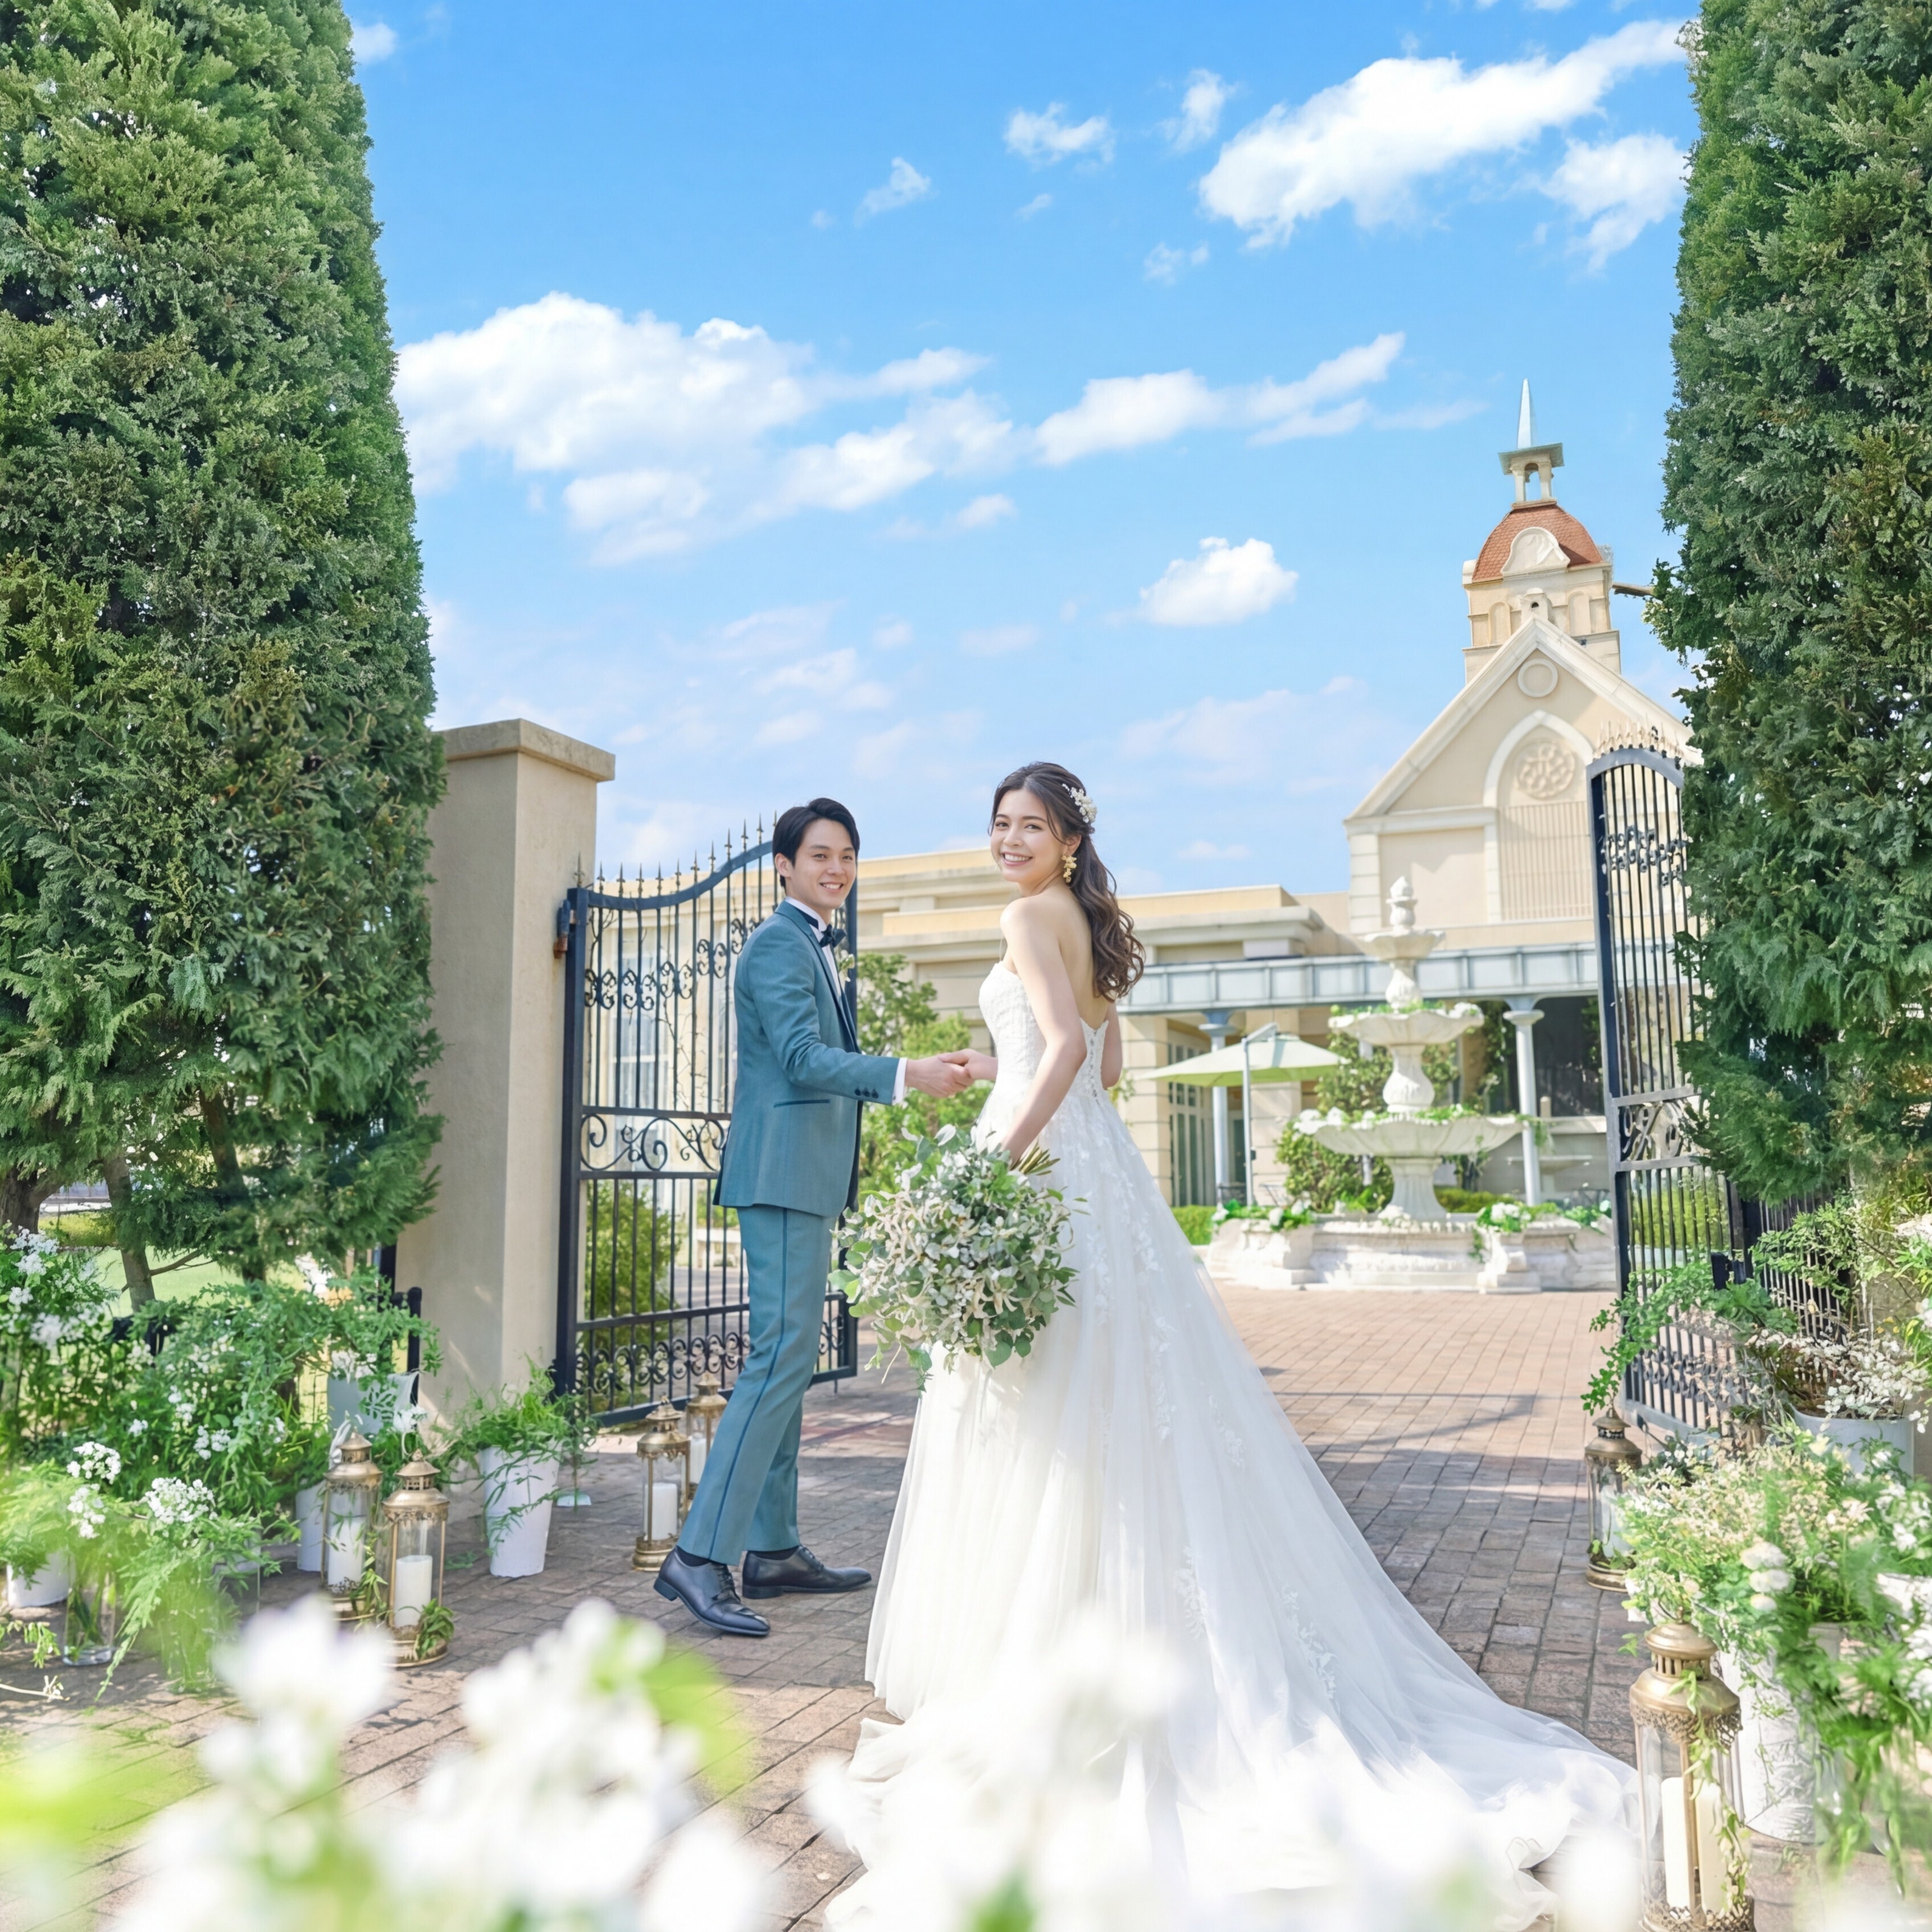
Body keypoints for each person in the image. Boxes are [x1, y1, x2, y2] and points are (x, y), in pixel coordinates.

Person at [831, 761, 1635, 1925]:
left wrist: (996, 1160)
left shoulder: (1025, 919)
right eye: (999, 824)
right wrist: (1021, 1088)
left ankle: (1049, 1664)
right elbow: (1105, 1060)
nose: (1009, 841)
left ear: (1068, 840)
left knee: (1051, 1419)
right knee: (1105, 1412)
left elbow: (1066, 1054)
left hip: (1041, 1169)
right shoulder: (1087, 923)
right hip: (1100, 1183)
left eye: (1030, 826)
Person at [656, 798, 973, 1639]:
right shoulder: (776, 944)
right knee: (780, 1356)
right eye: (821, 855)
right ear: (784, 865)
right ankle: (699, 1555)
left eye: (848, 857)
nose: (837, 869)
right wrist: (905, 1073)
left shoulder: (810, 943)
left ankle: (773, 1549)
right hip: (782, 1175)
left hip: (805, 1177)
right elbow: (800, 1058)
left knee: (791, 1360)